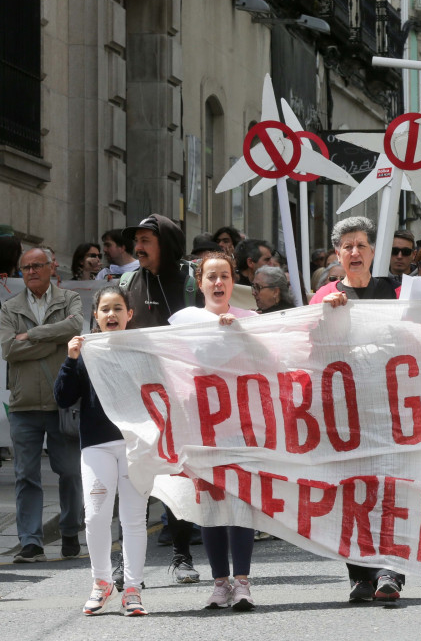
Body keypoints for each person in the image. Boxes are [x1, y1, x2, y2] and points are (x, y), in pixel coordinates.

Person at [309, 217, 421, 604]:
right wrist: (323, 317)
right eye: (346, 246)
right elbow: (308, 349)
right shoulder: (324, 297)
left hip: (391, 411)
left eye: (361, 245)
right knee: (353, 495)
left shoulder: (399, 292)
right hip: (345, 412)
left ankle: (391, 571)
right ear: (337, 254)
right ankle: (360, 574)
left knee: (391, 491)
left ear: (372, 252)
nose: (354, 252)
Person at [169, 251, 258, 611]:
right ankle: (220, 583)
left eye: (224, 276)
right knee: (211, 507)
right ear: (200, 283)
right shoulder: (184, 322)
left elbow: (271, 362)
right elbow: (167, 365)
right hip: (201, 429)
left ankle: (242, 583)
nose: (218, 283)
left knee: (240, 507)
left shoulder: (251, 321)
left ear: (233, 281)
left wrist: (242, 336)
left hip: (242, 429)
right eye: (211, 277)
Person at [54, 285, 149, 616]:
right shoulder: (85, 352)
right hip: (96, 444)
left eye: (118, 308)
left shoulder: (142, 349)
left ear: (129, 314)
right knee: (95, 516)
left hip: (135, 445)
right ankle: (101, 582)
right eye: (105, 309)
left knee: (134, 518)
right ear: (94, 316)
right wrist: (70, 360)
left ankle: (133, 588)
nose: (112, 314)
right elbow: (63, 398)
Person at [120, 213, 201, 582]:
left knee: (179, 475)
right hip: (137, 396)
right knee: (134, 476)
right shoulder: (126, 282)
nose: (137, 247)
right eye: (135, 240)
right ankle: (126, 561)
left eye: (145, 240)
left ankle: (182, 555)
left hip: (180, 397)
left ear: (164, 244)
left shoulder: (189, 282)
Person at [0, 247, 85, 564]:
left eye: (38, 265)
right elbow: (9, 349)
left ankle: (70, 533)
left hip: (62, 402)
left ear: (52, 267)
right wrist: (54, 341)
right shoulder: (10, 307)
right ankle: (31, 542)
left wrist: (33, 335)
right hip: (24, 406)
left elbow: (76, 327)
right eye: (26, 268)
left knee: (70, 473)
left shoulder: (69, 300)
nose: (32, 271)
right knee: (26, 476)